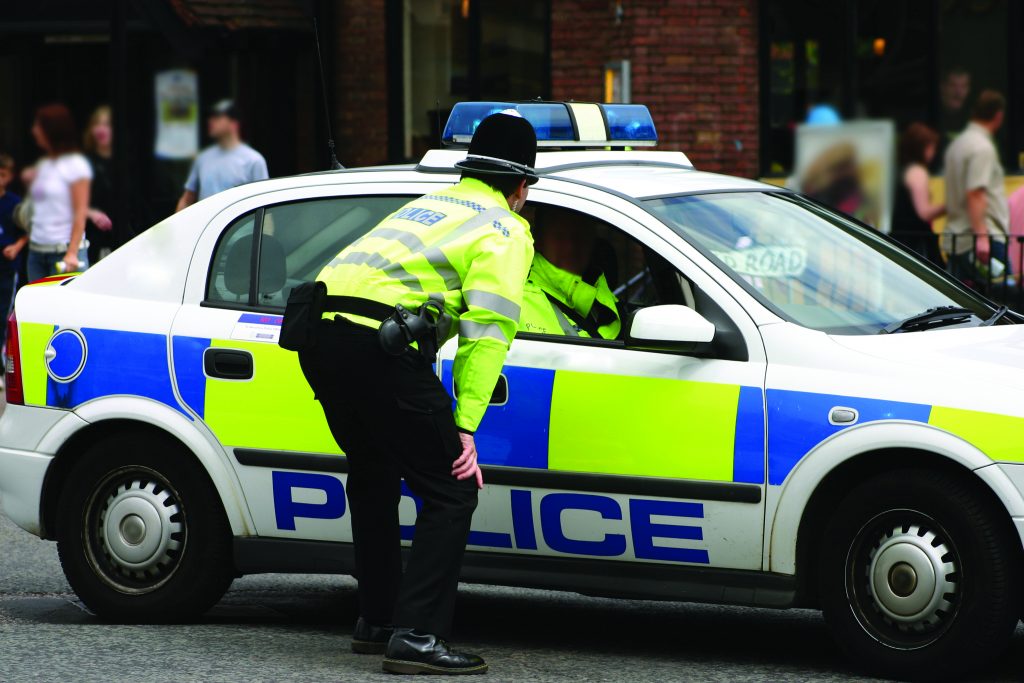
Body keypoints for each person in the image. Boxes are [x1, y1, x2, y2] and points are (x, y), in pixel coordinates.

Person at [297, 112, 536, 675]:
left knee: (374, 471)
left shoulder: (434, 204)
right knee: (452, 489)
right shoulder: (504, 228)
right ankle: (419, 637)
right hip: (379, 347)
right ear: (522, 186)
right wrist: (466, 426)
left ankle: (377, 619)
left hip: (318, 337)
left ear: (471, 167)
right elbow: (489, 329)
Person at [518, 207, 620, 338]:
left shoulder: (604, 299)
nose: (570, 246)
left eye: (579, 236)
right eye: (559, 236)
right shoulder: (519, 298)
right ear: (539, 241)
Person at [943, 90, 1010, 288]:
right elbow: (976, 192)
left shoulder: (958, 144)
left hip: (957, 239)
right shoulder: (982, 148)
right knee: (1006, 305)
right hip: (982, 240)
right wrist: (982, 237)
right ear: (998, 115)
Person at [26, 104, 92, 282]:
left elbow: (80, 211)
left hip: (63, 255)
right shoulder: (44, 164)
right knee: (38, 308)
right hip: (36, 252)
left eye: (38, 126)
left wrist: (72, 253)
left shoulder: (75, 164)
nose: (34, 131)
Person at [176, 100, 268, 211]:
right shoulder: (202, 159)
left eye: (217, 117)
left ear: (234, 124)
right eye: (211, 117)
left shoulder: (254, 160)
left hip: (241, 228)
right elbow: (187, 199)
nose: (211, 121)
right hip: (206, 227)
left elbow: (264, 204)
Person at [892, 123, 945, 264]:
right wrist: (948, 206)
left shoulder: (899, 170)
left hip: (899, 238)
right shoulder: (918, 172)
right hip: (915, 242)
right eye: (931, 147)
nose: (933, 152)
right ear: (921, 148)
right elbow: (924, 212)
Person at [0, 153, 24, 389]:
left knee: (3, 316)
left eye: (3, 174)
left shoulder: (15, 203)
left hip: (7, 270)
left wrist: (17, 246)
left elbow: (28, 229)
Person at [83, 105, 115, 263]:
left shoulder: (126, 163)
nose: (101, 129)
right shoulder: (83, 162)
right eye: (97, 124)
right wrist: (91, 214)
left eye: (107, 124)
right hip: (91, 237)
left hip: (119, 236)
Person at [936, 67, 972, 167]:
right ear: (942, 87)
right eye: (953, 85)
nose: (958, 92)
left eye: (963, 86)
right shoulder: (932, 117)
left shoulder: (973, 119)